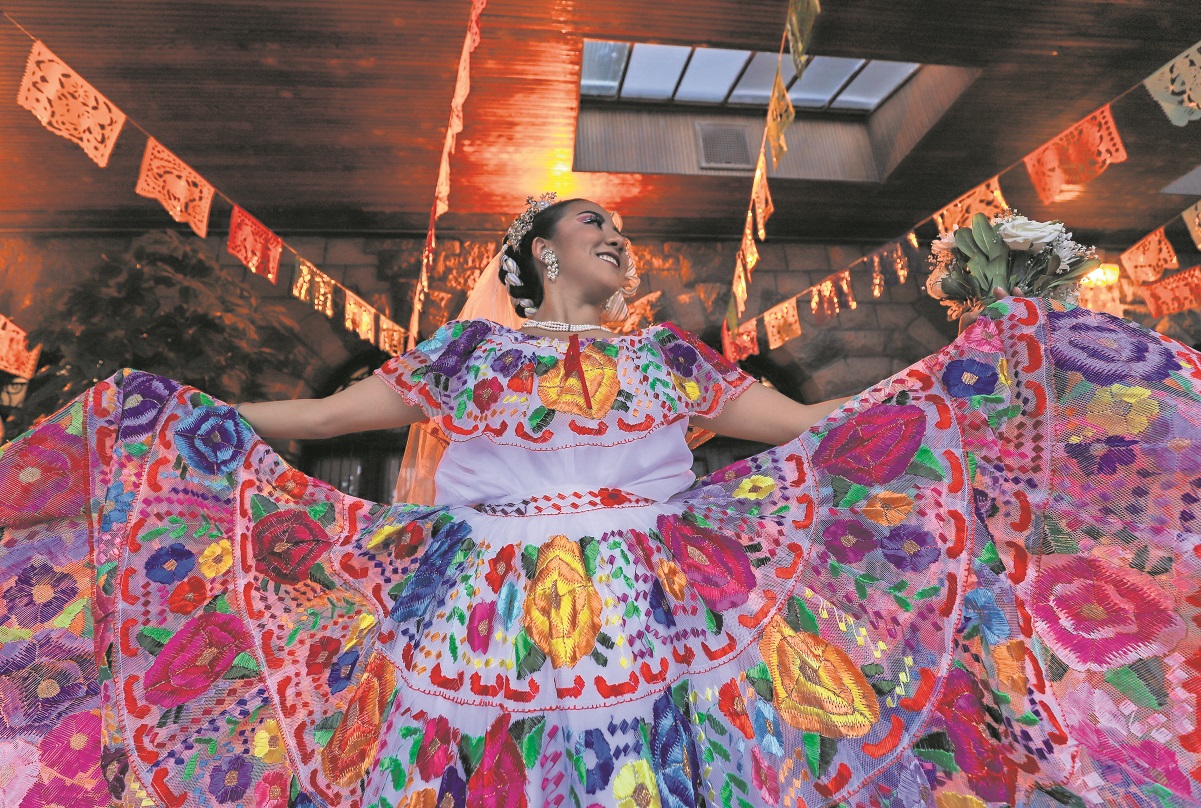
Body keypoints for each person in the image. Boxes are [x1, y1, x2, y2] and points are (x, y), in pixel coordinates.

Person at [1, 194, 1200, 808]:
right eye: (592, 227)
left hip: (663, 598)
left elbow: (832, 433)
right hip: (469, 602)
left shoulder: (672, 362)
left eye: (615, 227)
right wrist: (163, 412)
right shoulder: (462, 363)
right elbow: (316, 426)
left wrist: (978, 362)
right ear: (532, 259)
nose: (615, 237)